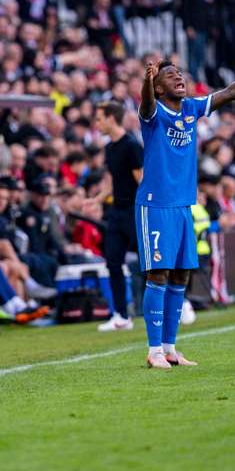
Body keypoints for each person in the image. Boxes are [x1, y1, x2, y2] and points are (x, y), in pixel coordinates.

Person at [137, 47, 235, 369]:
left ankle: (169, 348)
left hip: (184, 204)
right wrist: (146, 82)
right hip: (156, 205)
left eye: (180, 74)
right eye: (170, 76)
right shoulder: (153, 113)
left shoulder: (191, 108)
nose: (179, 78)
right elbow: (146, 104)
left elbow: (232, 91)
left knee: (180, 275)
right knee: (158, 273)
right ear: (158, 87)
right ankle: (153, 351)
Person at [88, 100, 143, 332]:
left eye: (99, 119)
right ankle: (121, 316)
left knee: (150, 262)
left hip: (134, 211)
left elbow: (142, 180)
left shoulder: (131, 146)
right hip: (116, 212)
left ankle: (178, 303)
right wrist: (97, 199)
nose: (97, 123)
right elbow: (113, 181)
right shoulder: (110, 148)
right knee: (112, 262)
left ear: (111, 118)